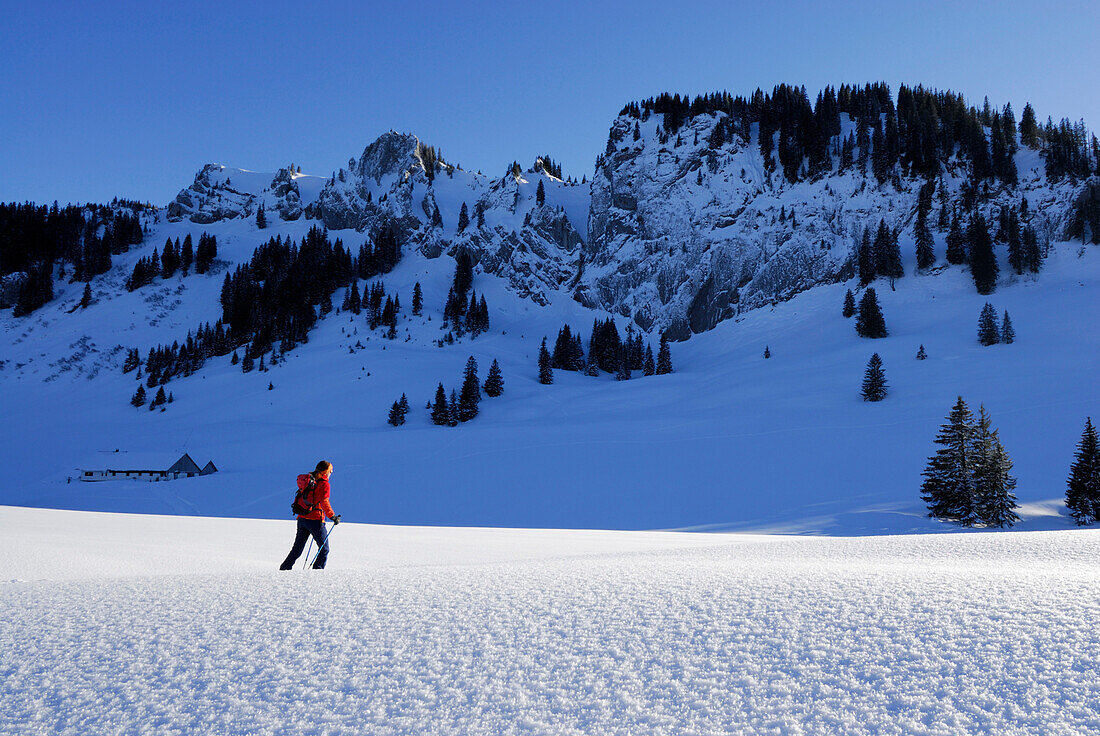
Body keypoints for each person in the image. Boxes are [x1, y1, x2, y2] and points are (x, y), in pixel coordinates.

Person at [279, 460, 341, 570]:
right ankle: (317, 573)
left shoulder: (309, 481)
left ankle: (284, 569)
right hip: (315, 520)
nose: (331, 473)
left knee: (297, 549)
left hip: (302, 519)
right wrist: (332, 516)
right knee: (324, 548)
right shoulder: (324, 484)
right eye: (331, 471)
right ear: (325, 472)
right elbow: (324, 501)